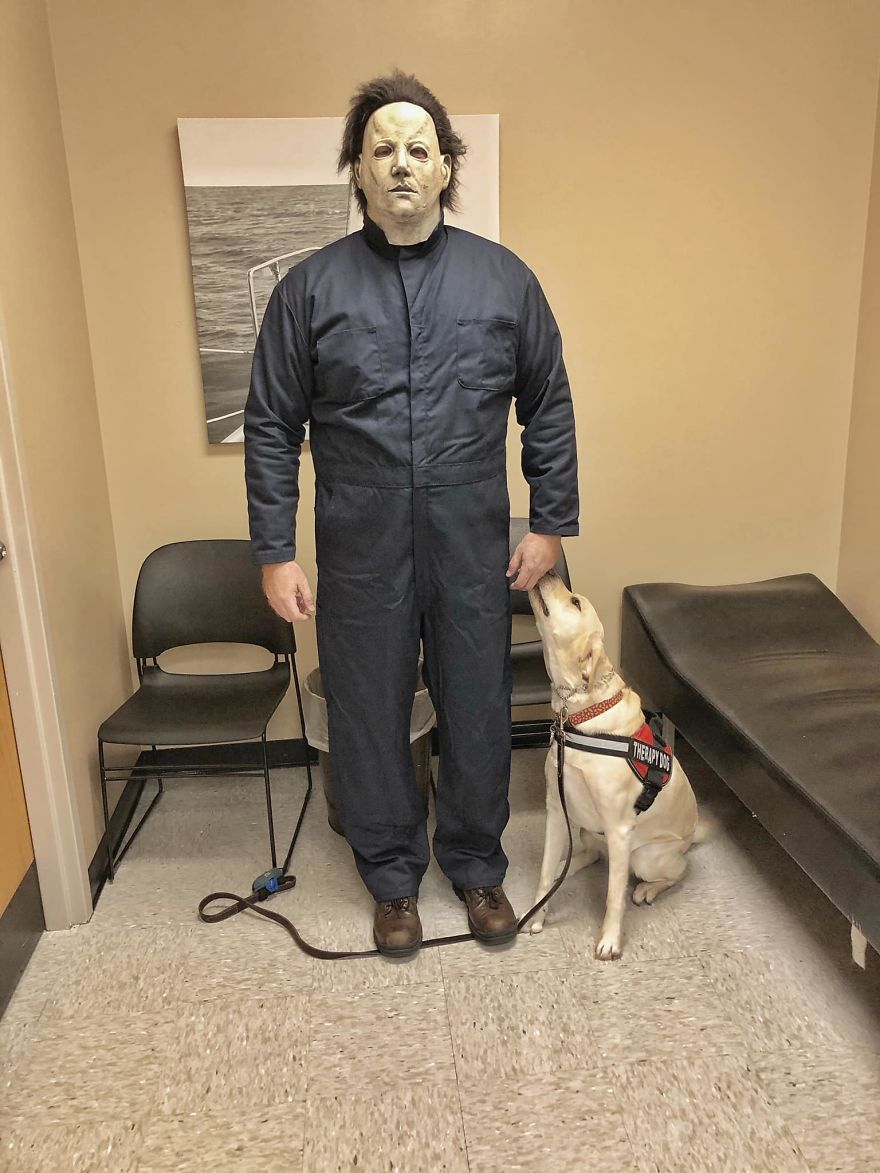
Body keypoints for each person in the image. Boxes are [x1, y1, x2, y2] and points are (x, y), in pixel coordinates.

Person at [244, 71, 579, 958]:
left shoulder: (504, 281)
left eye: (418, 149)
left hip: (472, 539)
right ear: (357, 170)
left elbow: (548, 403)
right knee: (368, 707)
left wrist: (549, 521)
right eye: (381, 148)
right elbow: (272, 425)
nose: (400, 164)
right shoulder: (308, 293)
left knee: (476, 700)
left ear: (445, 169)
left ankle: (475, 864)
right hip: (360, 544)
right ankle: (392, 876)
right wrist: (275, 548)